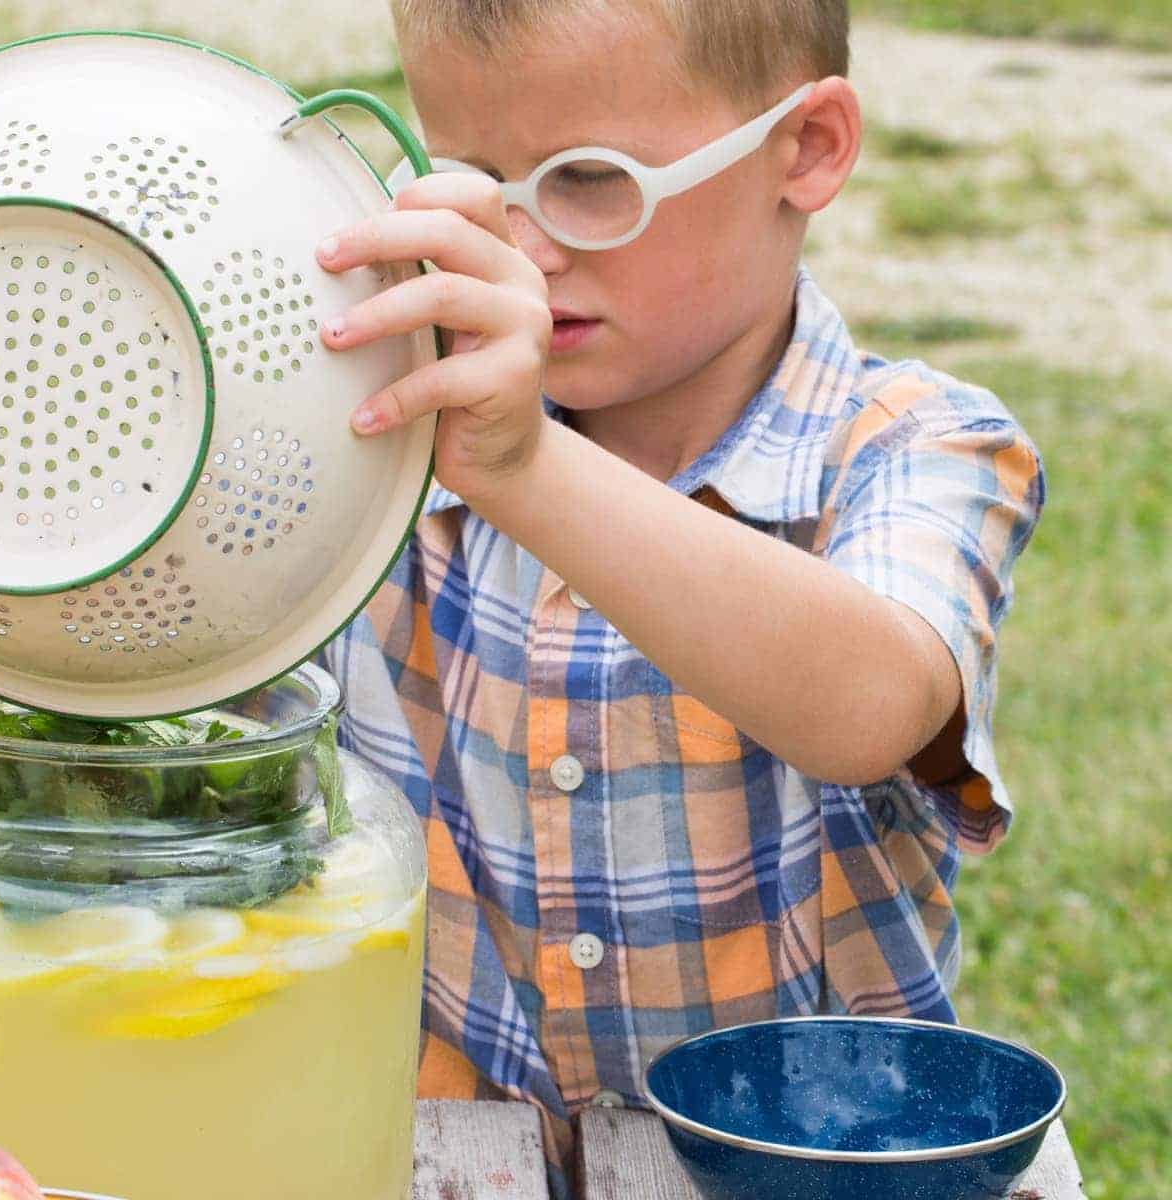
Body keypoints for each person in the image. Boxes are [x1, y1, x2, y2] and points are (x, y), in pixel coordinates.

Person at [315, 0, 1045, 1191]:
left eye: (590, 181)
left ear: (806, 148)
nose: (525, 247)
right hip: (456, 1154)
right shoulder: (401, 438)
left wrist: (527, 470)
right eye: (474, 179)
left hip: (812, 1164)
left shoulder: (919, 445)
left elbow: (867, 707)